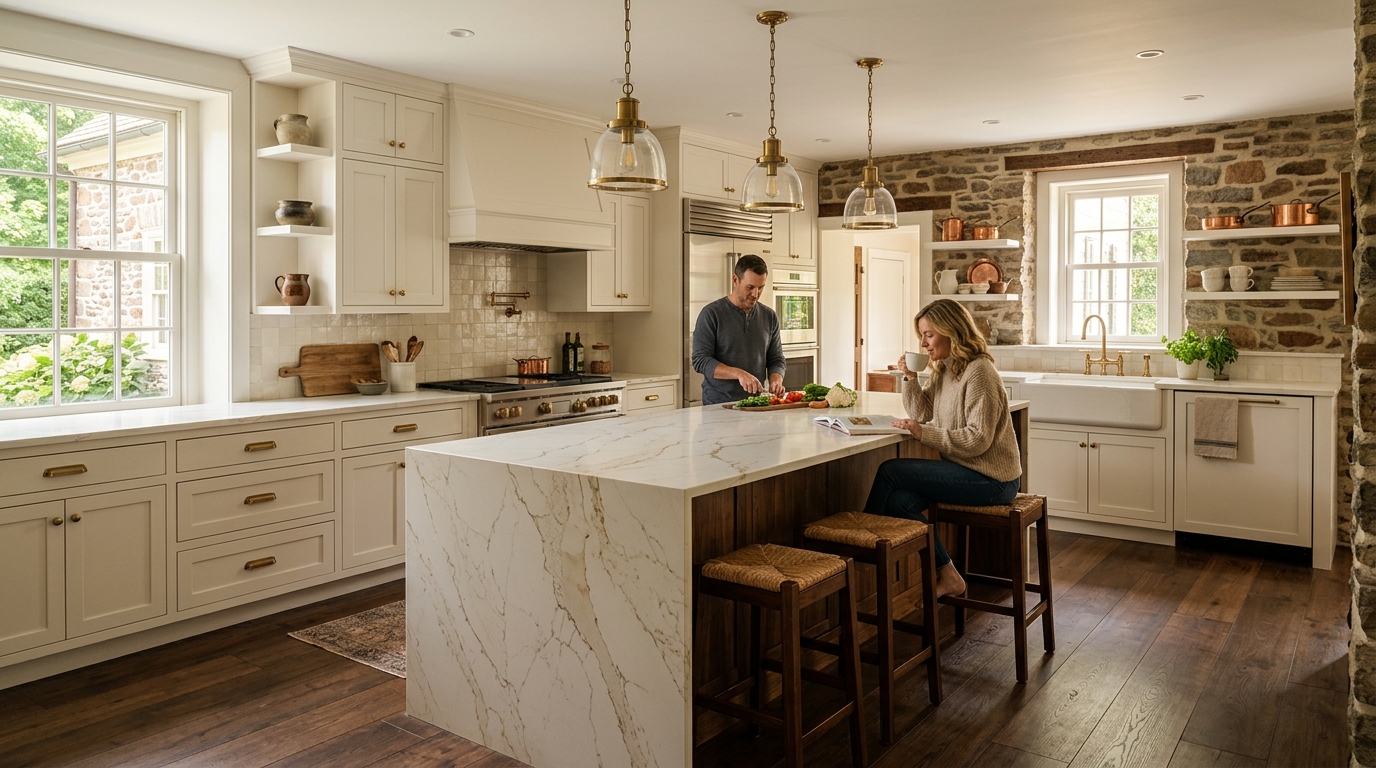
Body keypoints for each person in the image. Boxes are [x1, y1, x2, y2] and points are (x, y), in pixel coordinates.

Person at [864, 298, 1022, 599]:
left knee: (890, 471)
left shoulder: (980, 373)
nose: (923, 343)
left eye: (929, 334)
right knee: (899, 502)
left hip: (994, 481)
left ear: (952, 331)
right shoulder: (946, 368)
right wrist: (910, 378)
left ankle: (863, 545)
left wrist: (924, 434)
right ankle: (948, 574)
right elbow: (923, 413)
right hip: (966, 471)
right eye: (921, 335)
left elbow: (978, 439)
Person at [692, 254, 786, 406]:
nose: (755, 294)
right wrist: (738, 374)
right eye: (750, 287)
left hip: (757, 404)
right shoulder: (711, 314)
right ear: (735, 280)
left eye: (760, 287)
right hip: (718, 406)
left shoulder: (769, 316)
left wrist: (776, 379)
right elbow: (700, 360)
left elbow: (776, 359)